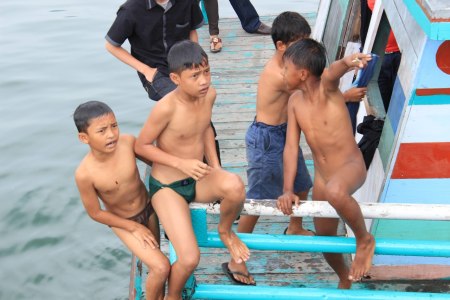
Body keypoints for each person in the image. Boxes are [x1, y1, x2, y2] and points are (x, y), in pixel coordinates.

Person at [134, 40, 250, 300]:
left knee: (234, 185)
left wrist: (216, 167)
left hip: (198, 180)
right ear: (175, 78)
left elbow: (205, 127)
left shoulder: (209, 95)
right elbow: (141, 146)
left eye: (206, 72)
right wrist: (180, 162)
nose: (204, 81)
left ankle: (225, 231)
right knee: (189, 258)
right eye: (195, 76)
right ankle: (173, 296)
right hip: (168, 188)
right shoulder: (166, 107)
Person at [278, 39, 375, 289]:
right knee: (323, 236)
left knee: (335, 191)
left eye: (285, 68)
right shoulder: (294, 102)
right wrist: (288, 189)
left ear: (302, 73)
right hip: (323, 176)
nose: (282, 73)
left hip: (350, 167)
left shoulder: (328, 89)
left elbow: (332, 72)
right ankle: (344, 276)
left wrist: (347, 62)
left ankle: (364, 239)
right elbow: (290, 147)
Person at [225, 12, 314, 286]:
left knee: (301, 185)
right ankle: (235, 259)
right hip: (266, 140)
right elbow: (311, 91)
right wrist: (342, 93)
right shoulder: (278, 74)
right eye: (301, 46)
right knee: (257, 201)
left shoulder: (290, 66)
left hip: (285, 133)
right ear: (281, 46)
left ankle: (294, 227)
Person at [73, 101, 170, 300]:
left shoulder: (127, 143)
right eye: (101, 131)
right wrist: (133, 227)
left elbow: (156, 162)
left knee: (157, 263)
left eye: (114, 126)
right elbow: (96, 213)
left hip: (149, 208)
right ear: (84, 138)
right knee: (161, 266)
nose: (111, 134)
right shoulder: (85, 174)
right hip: (124, 223)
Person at [105, 0, 203, 101]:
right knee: (181, 100)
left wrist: (195, 60)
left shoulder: (188, 2)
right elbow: (111, 46)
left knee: (203, 99)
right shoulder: (130, 10)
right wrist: (146, 70)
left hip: (185, 64)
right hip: (154, 70)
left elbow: (192, 30)